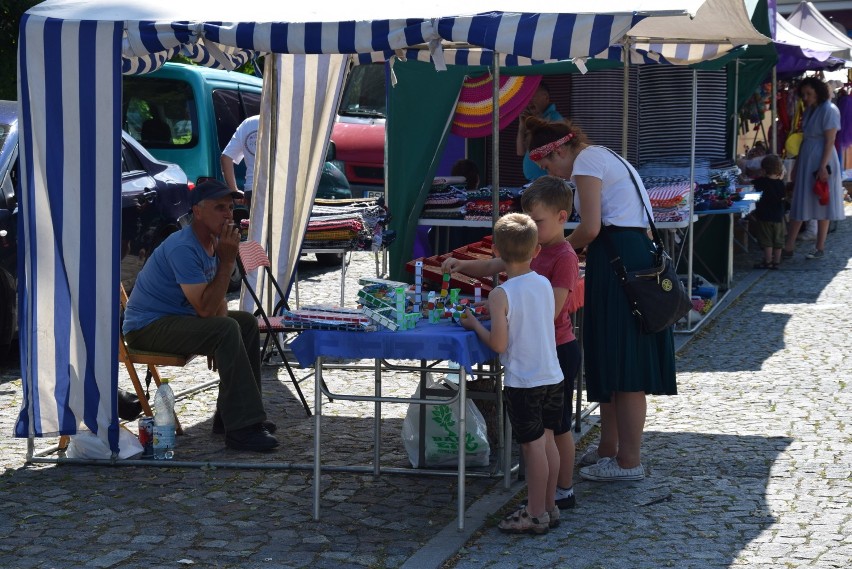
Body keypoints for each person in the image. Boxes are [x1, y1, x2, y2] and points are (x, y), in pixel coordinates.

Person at [524, 116, 677, 482]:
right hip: (620, 259)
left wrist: (546, 249)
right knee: (611, 359)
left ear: (560, 149)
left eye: (549, 166)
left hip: (621, 261)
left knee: (625, 364)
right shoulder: (602, 156)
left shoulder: (587, 161)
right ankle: (611, 448)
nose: (554, 175)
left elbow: (590, 227)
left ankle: (629, 461)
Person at [442, 176, 580, 510]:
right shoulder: (531, 252)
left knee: (558, 429)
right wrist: (462, 265)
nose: (533, 228)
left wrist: (505, 311)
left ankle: (564, 488)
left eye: (538, 222)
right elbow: (495, 263)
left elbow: (553, 311)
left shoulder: (562, 257)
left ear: (561, 218)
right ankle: (546, 496)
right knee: (544, 434)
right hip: (541, 351)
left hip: (556, 349)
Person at [123, 179, 279, 452]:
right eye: (219, 207)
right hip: (147, 328)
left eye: (230, 207)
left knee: (242, 322)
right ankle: (242, 429)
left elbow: (215, 307)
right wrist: (228, 261)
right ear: (197, 211)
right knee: (227, 329)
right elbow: (206, 309)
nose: (228, 214)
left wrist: (215, 332)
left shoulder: (214, 241)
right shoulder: (184, 247)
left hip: (178, 319)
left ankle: (231, 417)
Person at [459, 212, 564, 535]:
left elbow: (499, 343)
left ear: (498, 254)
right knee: (548, 442)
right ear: (536, 251)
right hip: (551, 375)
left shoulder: (500, 294)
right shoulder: (544, 283)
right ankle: (549, 505)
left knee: (532, 448)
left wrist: (474, 324)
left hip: (524, 380)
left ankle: (533, 514)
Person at [782, 77, 845, 260]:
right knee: (801, 200)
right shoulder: (810, 110)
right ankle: (789, 245)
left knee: (821, 200)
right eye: (804, 94)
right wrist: (797, 165)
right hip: (808, 157)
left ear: (818, 92)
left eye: (809, 94)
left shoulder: (830, 110)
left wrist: (823, 166)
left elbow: (830, 140)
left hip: (822, 158)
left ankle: (820, 246)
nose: (806, 97)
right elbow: (804, 139)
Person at [516, 82, 563, 182]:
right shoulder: (534, 121)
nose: (529, 101)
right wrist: (521, 128)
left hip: (548, 181)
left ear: (545, 97)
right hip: (534, 182)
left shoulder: (554, 119)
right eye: (527, 96)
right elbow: (520, 152)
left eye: (532, 95)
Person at [751, 154, 787, 270]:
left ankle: (767, 261)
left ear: (763, 169)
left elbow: (751, 187)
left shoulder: (760, 182)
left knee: (767, 241)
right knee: (778, 240)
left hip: (764, 215)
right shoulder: (781, 184)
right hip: (778, 216)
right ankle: (776, 261)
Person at [221, 115, 259, 206]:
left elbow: (225, 158)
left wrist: (235, 192)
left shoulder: (248, 124)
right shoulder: (287, 122)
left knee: (257, 220)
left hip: (252, 188)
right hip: (282, 186)